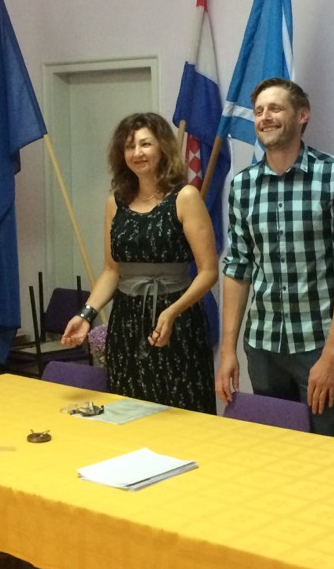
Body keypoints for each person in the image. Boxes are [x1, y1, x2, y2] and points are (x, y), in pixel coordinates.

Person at [216, 78, 334, 437]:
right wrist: (227, 352)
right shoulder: (243, 185)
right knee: (274, 448)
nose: (265, 117)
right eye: (259, 111)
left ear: (302, 115)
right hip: (263, 346)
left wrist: (332, 355)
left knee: (325, 450)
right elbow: (237, 268)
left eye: (275, 108)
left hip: (318, 343)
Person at [61, 112, 218, 412]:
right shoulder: (115, 202)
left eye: (145, 144)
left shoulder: (185, 197)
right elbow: (112, 270)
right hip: (127, 323)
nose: (137, 153)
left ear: (163, 147)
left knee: (180, 411)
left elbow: (208, 272)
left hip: (177, 320)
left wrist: (172, 312)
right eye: (129, 146)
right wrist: (86, 314)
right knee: (128, 409)